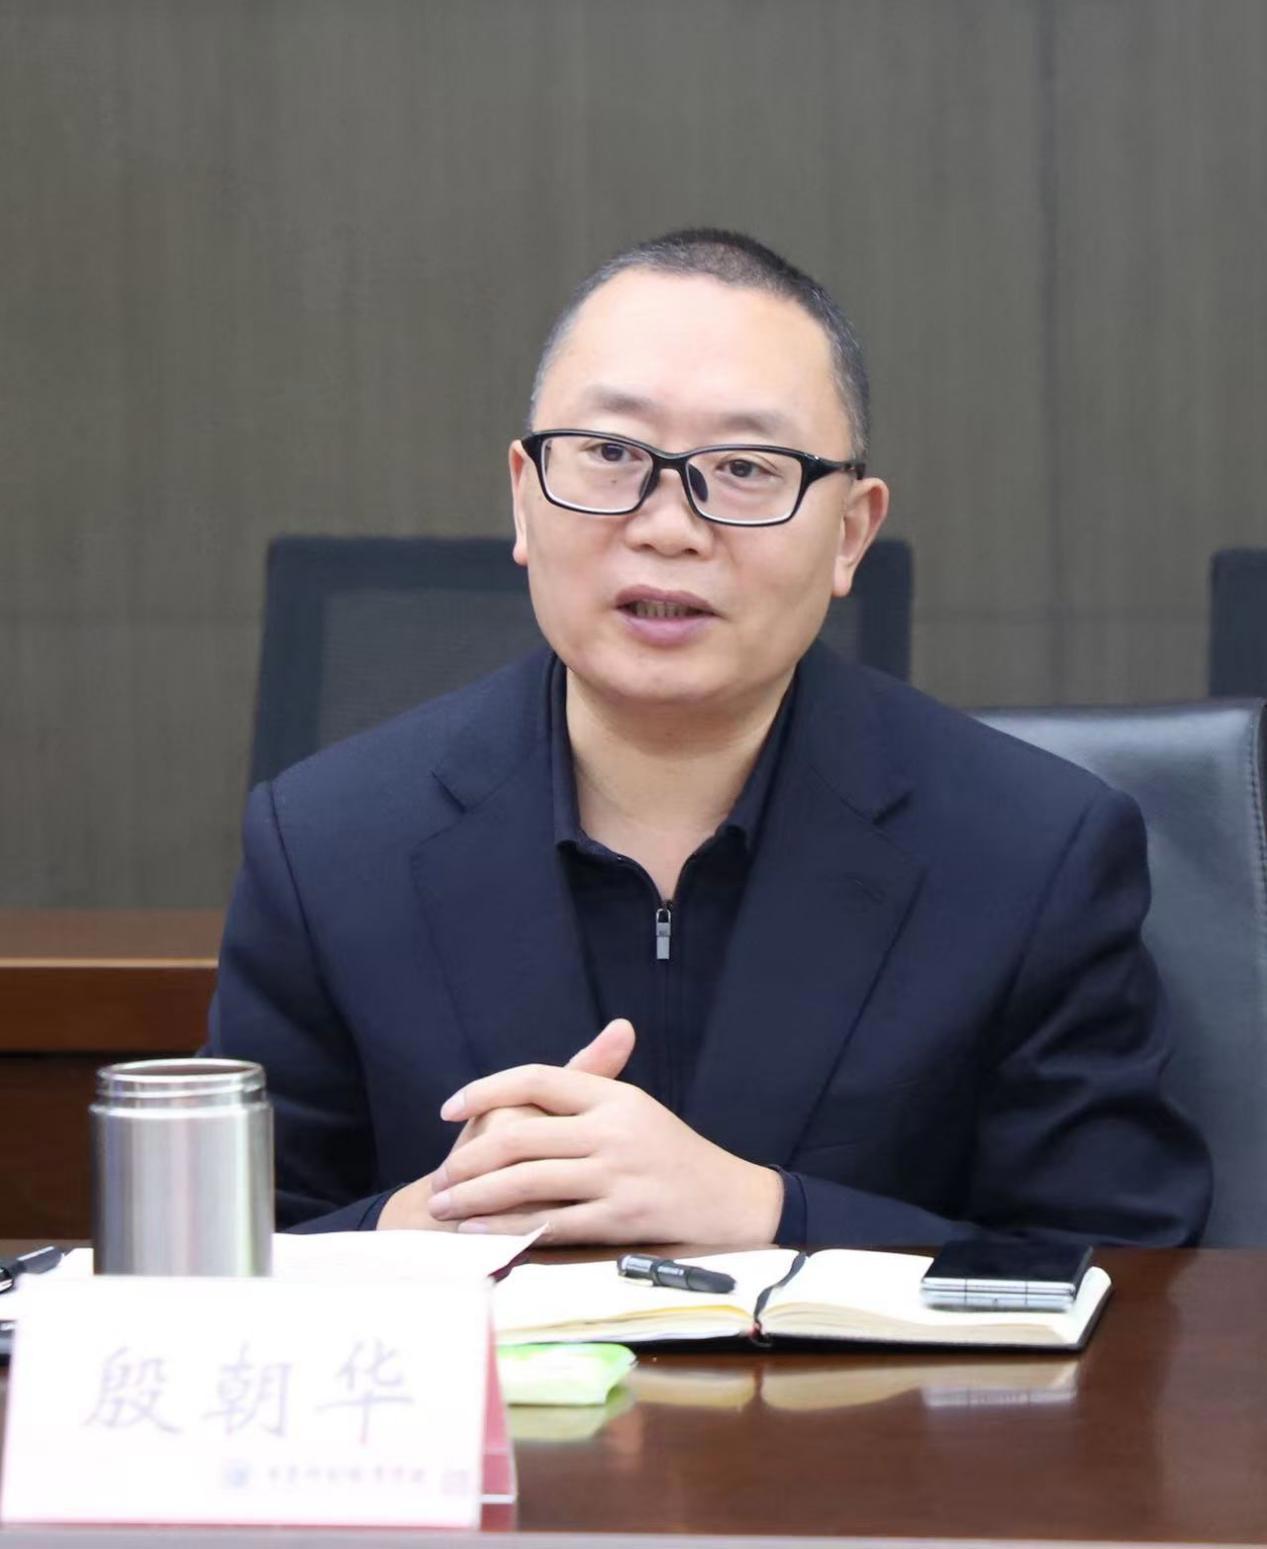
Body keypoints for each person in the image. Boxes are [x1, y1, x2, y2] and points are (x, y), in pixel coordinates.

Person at [207, 228, 1211, 1246]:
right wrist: (419, 1230)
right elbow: (229, 1261)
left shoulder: (1031, 852)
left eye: (742, 467)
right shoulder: (326, 844)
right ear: (522, 494)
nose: (668, 526)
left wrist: (766, 1214)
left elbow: (1125, 1271)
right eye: (610, 455)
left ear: (850, 533)